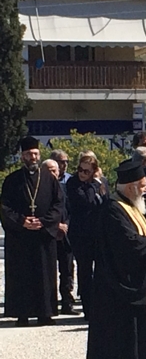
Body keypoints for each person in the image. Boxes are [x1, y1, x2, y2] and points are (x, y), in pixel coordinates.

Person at [84, 160, 146, 359]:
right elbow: (128, 244)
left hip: (130, 278)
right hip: (119, 284)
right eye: (143, 185)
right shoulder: (113, 209)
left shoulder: (131, 206)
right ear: (131, 187)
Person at [2, 136, 63, 327]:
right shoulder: (12, 180)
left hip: (43, 236)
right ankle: (22, 314)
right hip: (20, 237)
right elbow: (4, 208)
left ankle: (46, 313)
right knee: (22, 275)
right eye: (29, 154)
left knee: (45, 275)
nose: (33, 157)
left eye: (35, 154)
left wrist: (43, 222)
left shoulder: (49, 179)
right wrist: (22, 221)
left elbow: (58, 205)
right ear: (22, 156)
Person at [67, 155, 107, 320]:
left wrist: (98, 184)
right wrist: (95, 183)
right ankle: (88, 309)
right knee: (85, 272)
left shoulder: (101, 183)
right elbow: (88, 200)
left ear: (94, 171)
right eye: (80, 170)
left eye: (86, 171)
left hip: (98, 233)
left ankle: (102, 306)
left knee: (103, 270)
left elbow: (106, 202)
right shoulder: (73, 183)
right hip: (81, 235)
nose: (82, 174)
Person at [42, 160, 79, 316]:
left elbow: (71, 210)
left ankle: (67, 302)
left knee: (67, 270)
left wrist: (66, 225)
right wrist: (55, 225)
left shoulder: (64, 188)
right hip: (47, 234)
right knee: (48, 271)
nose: (53, 174)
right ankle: (49, 304)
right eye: (49, 170)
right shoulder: (39, 190)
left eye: (55, 171)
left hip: (65, 235)